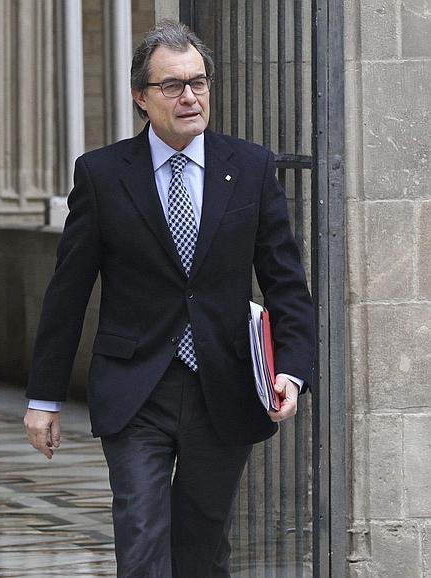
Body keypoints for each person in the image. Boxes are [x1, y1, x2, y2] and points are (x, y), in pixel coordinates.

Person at [24, 20, 315, 578]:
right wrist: (44, 397)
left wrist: (292, 371)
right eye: (172, 85)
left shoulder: (250, 167)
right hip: (135, 388)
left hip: (223, 385)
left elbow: (285, 282)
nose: (189, 97)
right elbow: (68, 292)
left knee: (202, 550)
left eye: (198, 82)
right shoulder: (102, 174)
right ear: (141, 96)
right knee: (141, 539)